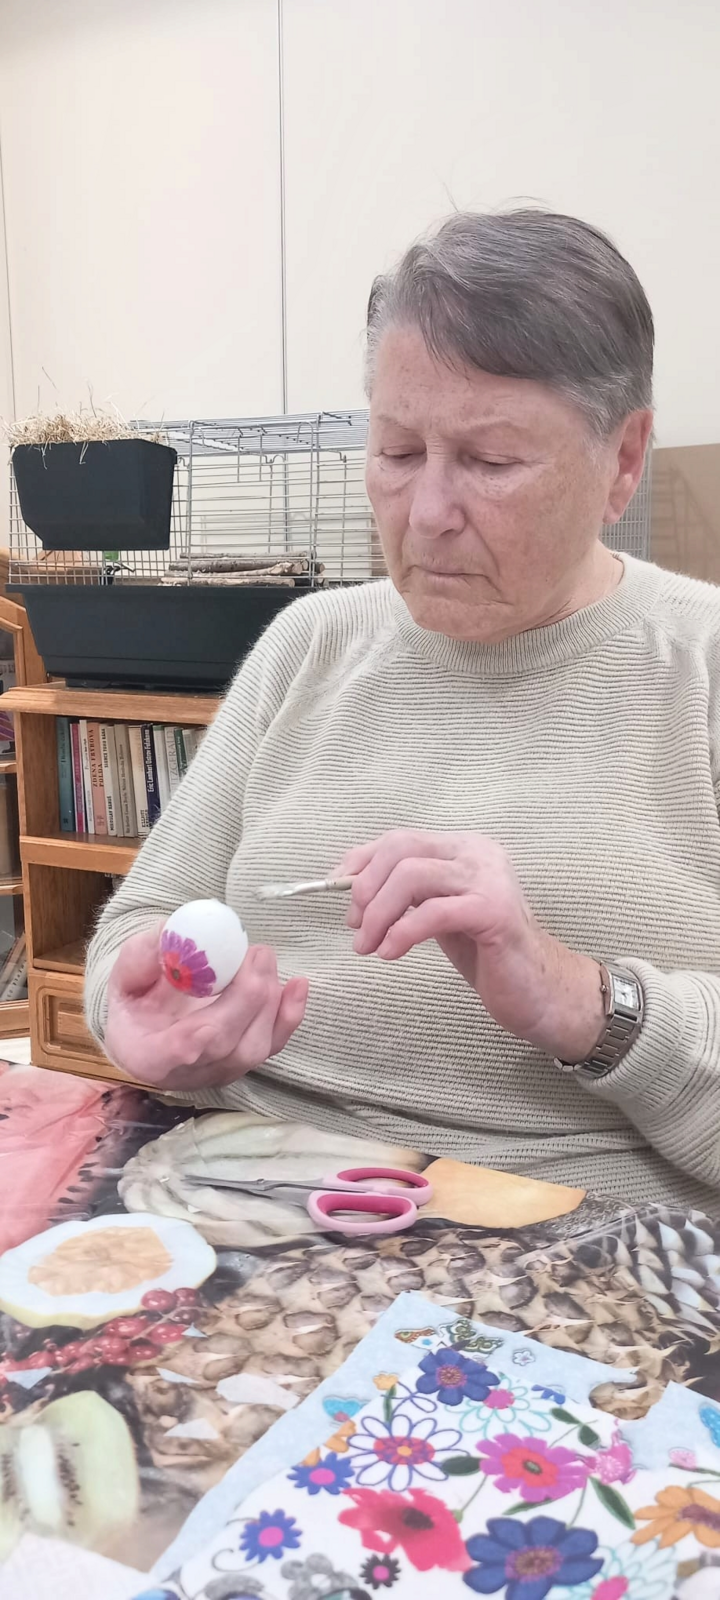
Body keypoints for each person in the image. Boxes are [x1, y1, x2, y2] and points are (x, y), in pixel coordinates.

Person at [85, 209, 720, 1214]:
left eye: (491, 462)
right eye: (395, 450)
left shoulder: (701, 669)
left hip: (572, 1238)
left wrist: (582, 1003)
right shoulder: (309, 644)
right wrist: (138, 1014)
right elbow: (142, 922)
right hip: (243, 1192)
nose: (426, 514)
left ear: (625, 459)